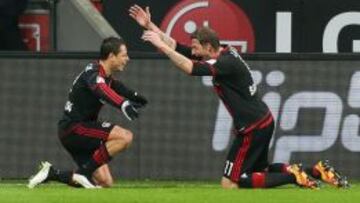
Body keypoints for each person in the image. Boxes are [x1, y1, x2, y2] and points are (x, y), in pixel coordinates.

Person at [129, 5, 349, 189]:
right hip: (261, 122)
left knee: (231, 184)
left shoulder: (224, 63)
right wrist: (150, 27)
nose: (193, 52)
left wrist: (159, 46)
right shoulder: (221, 52)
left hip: (252, 128)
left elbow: (189, 68)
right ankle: (316, 170)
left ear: (207, 46)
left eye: (196, 48)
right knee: (259, 171)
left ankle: (294, 177)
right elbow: (176, 46)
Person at [28, 37, 148, 189]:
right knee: (125, 137)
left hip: (76, 131)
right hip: (75, 128)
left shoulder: (105, 76)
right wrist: (123, 103)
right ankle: (84, 172)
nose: (127, 59)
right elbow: (100, 88)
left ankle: (52, 173)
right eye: (124, 55)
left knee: (105, 182)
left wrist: (136, 97)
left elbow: (119, 87)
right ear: (111, 56)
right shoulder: (93, 72)